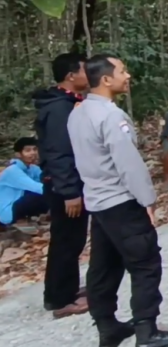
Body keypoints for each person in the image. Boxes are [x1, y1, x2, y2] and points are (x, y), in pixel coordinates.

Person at [68, 55, 168, 347]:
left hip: (98, 204)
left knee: (103, 267)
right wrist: (147, 200)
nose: (128, 75)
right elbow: (128, 165)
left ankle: (107, 327)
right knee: (145, 263)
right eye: (122, 71)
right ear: (106, 80)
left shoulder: (78, 113)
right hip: (121, 202)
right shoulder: (111, 117)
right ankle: (147, 332)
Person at [33, 52, 91, 318]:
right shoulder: (59, 109)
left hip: (70, 182)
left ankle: (66, 288)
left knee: (73, 238)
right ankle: (59, 300)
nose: (88, 74)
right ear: (71, 76)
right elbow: (58, 153)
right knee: (66, 241)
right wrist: (69, 192)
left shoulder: (69, 103)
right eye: (84, 70)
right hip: (63, 187)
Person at [0, 138, 47, 224]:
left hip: (19, 205)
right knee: (40, 196)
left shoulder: (33, 168)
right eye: (28, 150)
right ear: (18, 154)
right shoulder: (12, 171)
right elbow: (38, 188)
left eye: (35, 149)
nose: (33, 153)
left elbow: (47, 180)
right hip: (7, 212)